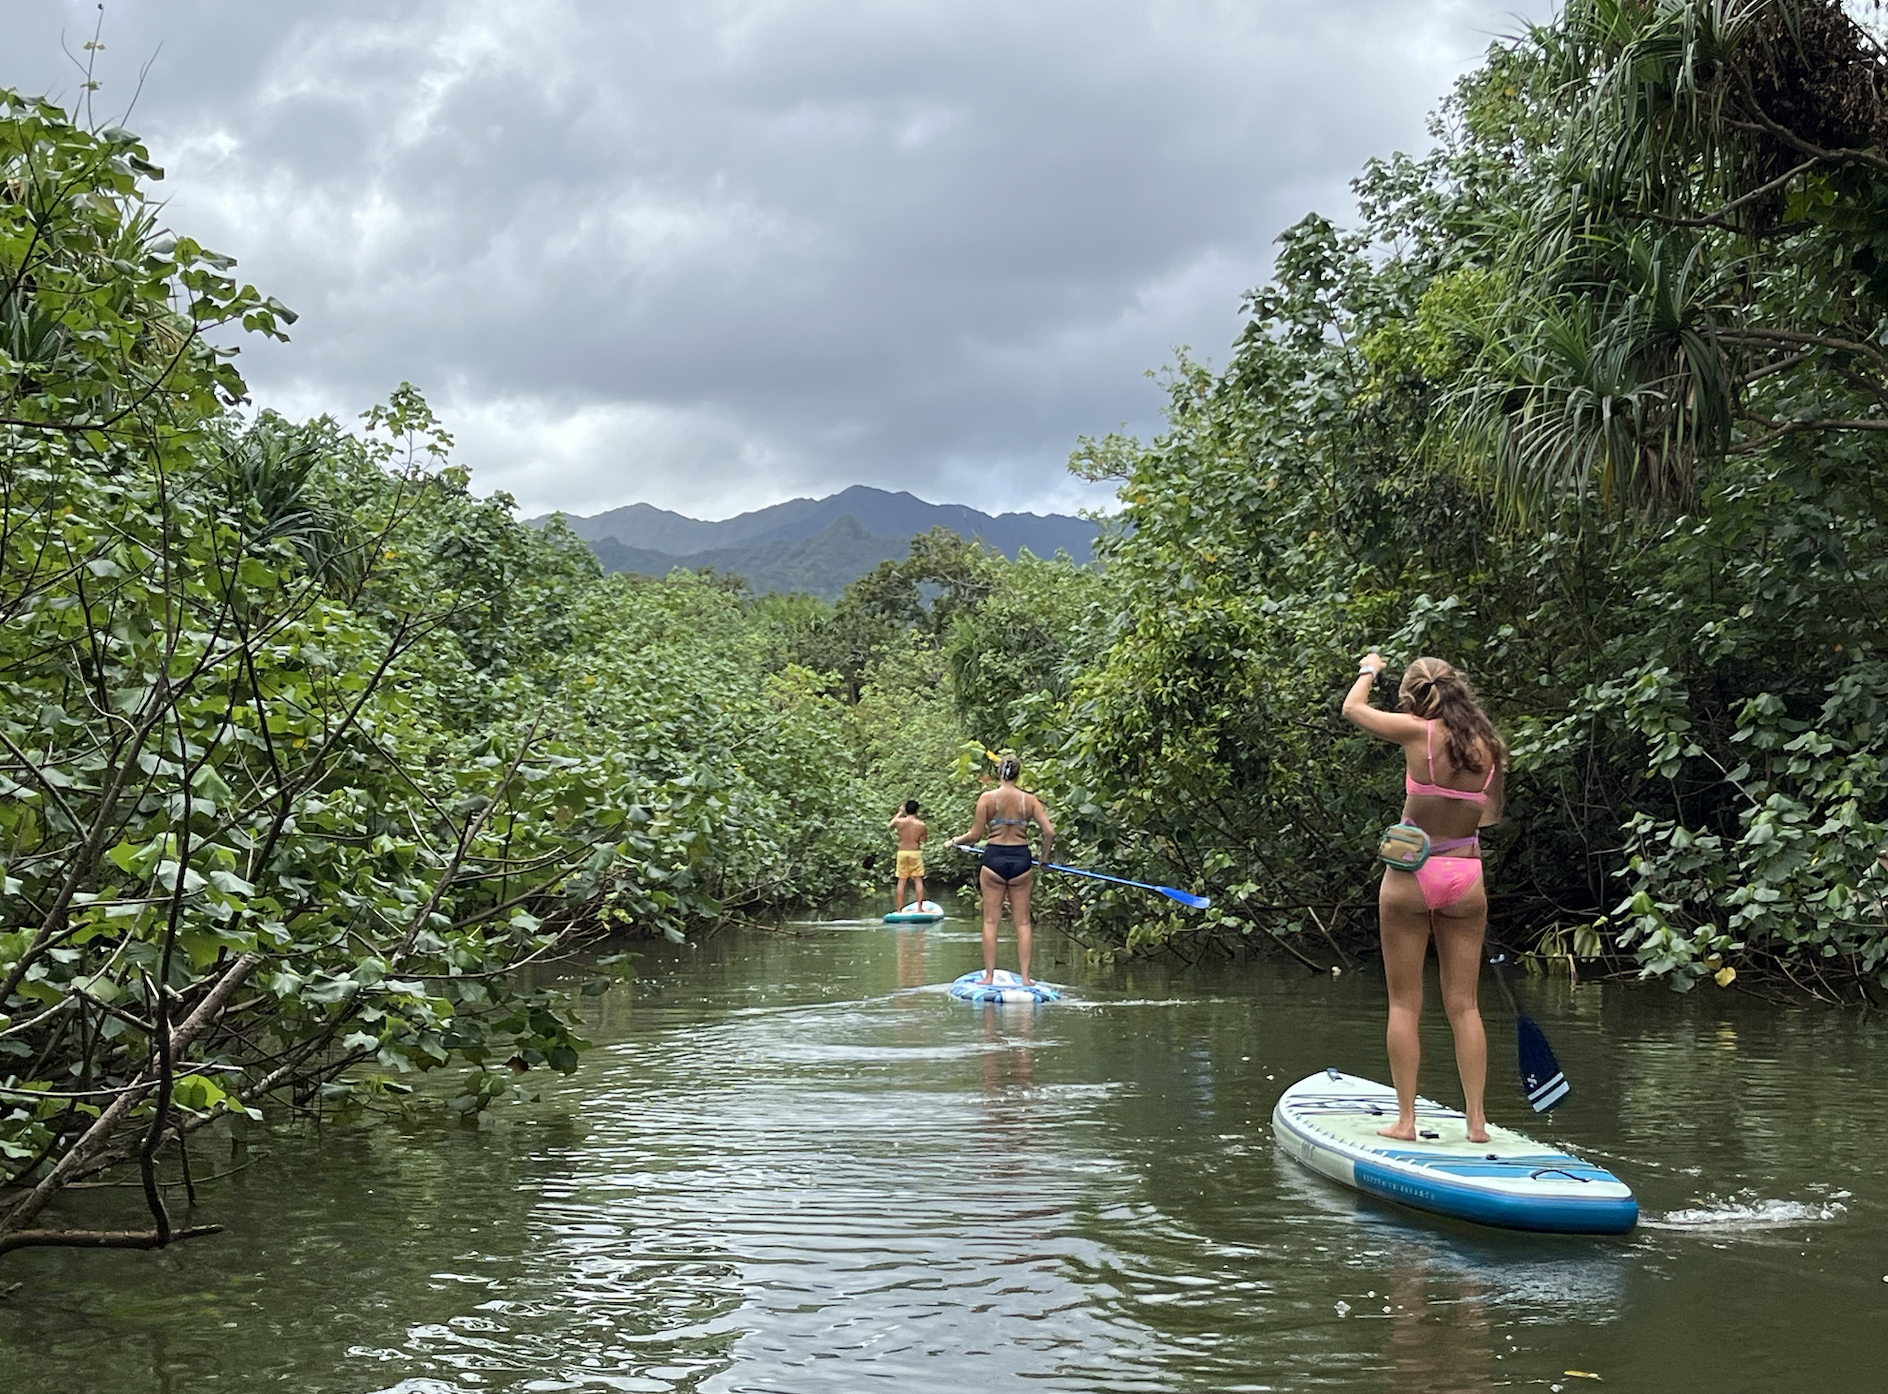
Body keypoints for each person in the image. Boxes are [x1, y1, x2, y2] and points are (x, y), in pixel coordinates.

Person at [1343, 653, 1506, 1145]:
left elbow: (1353, 708)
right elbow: (1490, 817)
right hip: (1465, 877)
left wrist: (1370, 668)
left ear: (1415, 697)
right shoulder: (1491, 748)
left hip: (1411, 876)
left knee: (1404, 1005)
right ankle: (1476, 1124)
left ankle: (1406, 1122)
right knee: (1465, 1006)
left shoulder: (1417, 733)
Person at [949, 757, 1055, 985]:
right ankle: (1026, 978)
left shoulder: (987, 798)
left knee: (990, 921)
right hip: (1021, 861)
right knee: (1023, 923)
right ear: (1018, 775)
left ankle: (988, 976)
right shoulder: (1030, 800)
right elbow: (1049, 832)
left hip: (994, 859)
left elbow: (975, 835)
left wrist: (954, 841)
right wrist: (1044, 859)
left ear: (999, 773)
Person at [890, 800, 928, 912]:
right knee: (918, 880)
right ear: (917, 810)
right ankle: (920, 908)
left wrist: (900, 812)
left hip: (902, 852)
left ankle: (898, 909)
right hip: (915, 852)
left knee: (901, 881)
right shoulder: (921, 825)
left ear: (906, 810)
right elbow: (924, 840)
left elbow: (891, 824)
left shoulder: (899, 822)